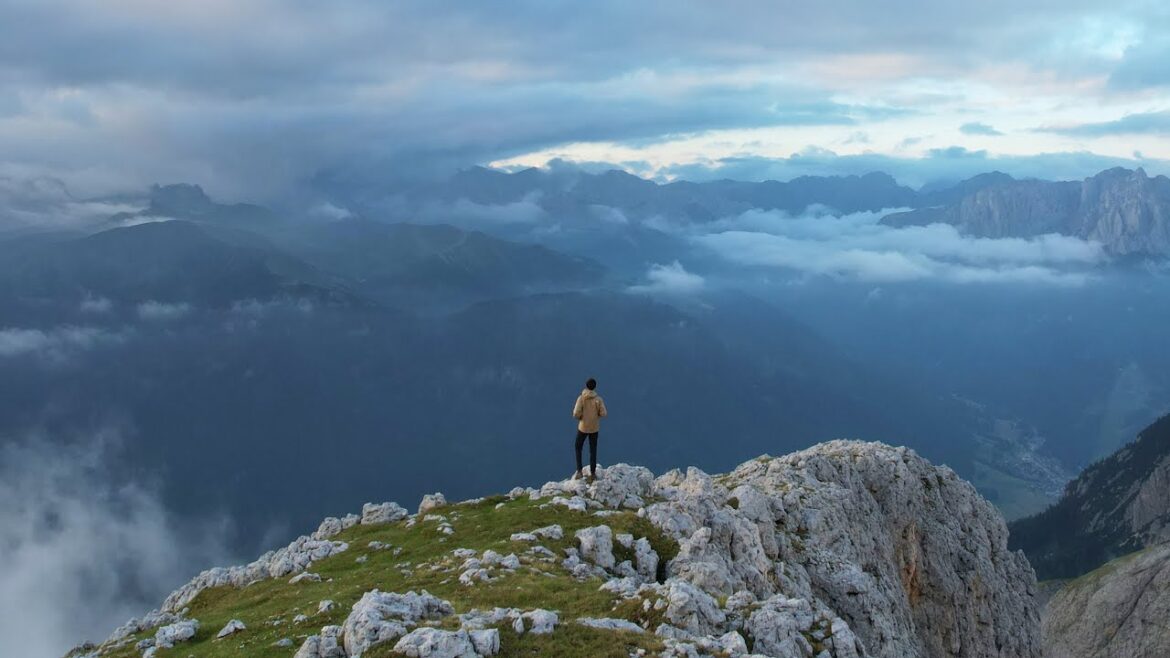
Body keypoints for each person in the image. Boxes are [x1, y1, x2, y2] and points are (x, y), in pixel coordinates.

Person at [572, 378, 607, 482]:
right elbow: (604, 413)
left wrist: (581, 418)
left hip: (583, 427)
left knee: (578, 446)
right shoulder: (598, 399)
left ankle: (579, 471)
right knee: (593, 450)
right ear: (595, 387)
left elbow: (575, 413)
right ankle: (592, 474)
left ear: (586, 386)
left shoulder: (581, 398)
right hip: (594, 428)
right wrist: (596, 416)